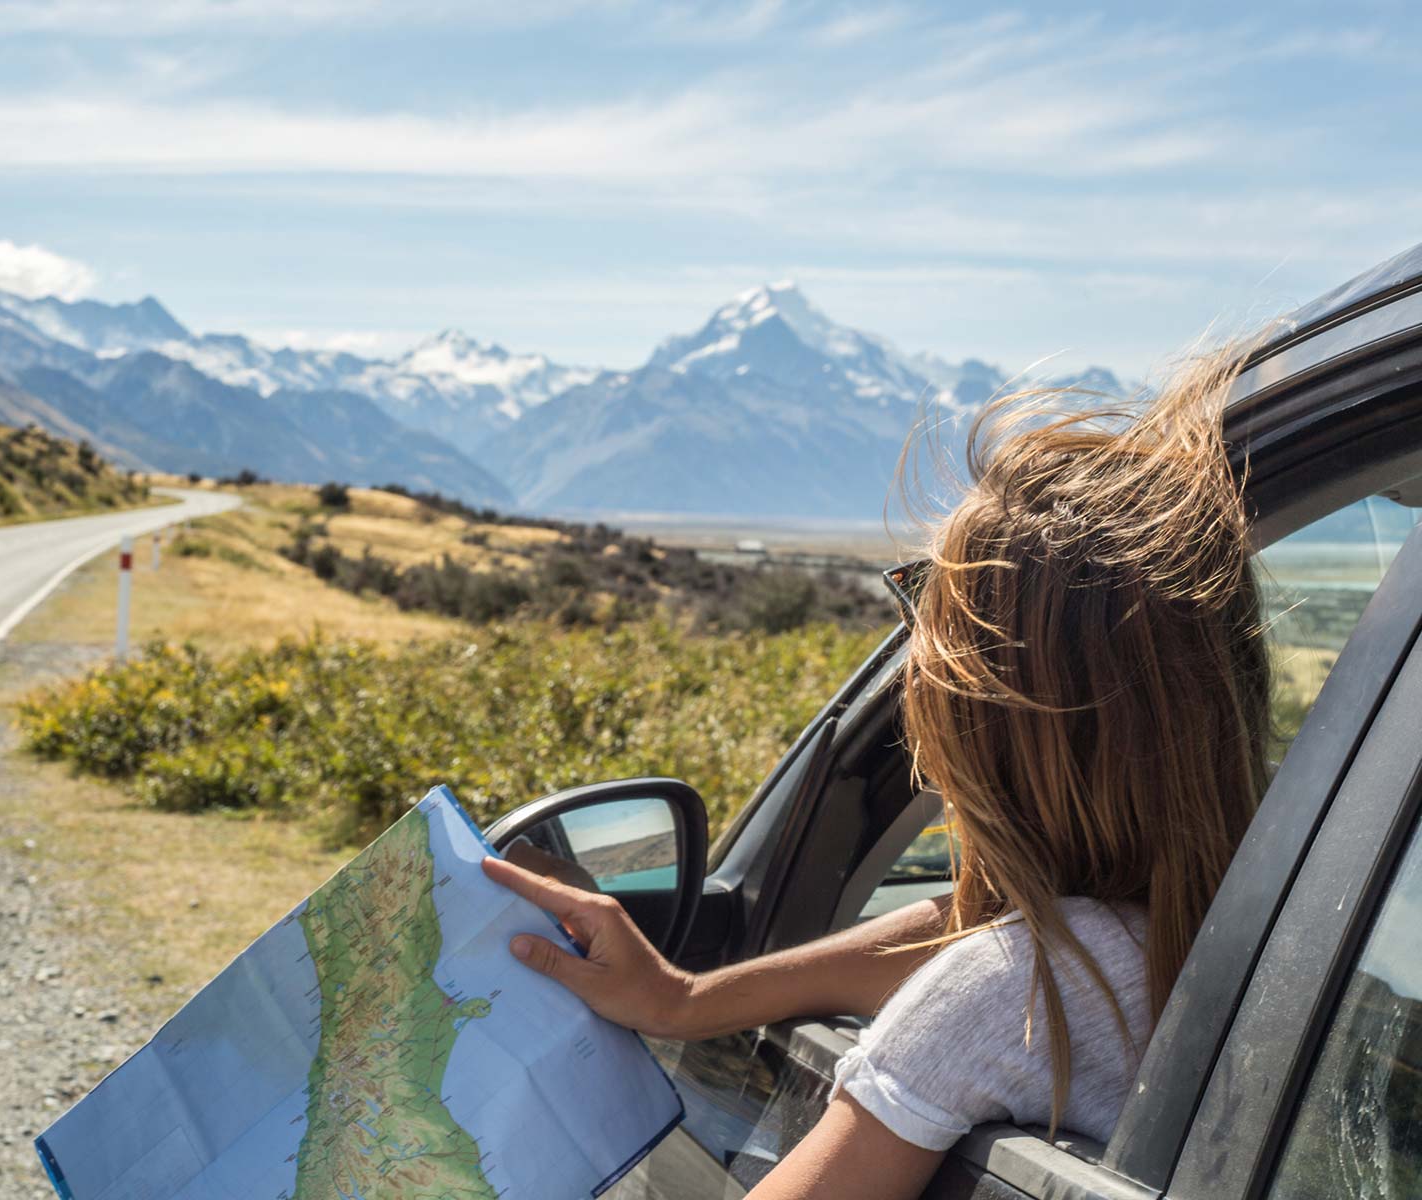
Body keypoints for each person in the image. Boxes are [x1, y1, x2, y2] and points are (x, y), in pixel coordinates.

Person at [483, 348, 1273, 1199]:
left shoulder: (1009, 995)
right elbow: (970, 935)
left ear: (980, 722)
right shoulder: (1247, 940)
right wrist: (683, 1001)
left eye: (923, 633)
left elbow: (993, 969)